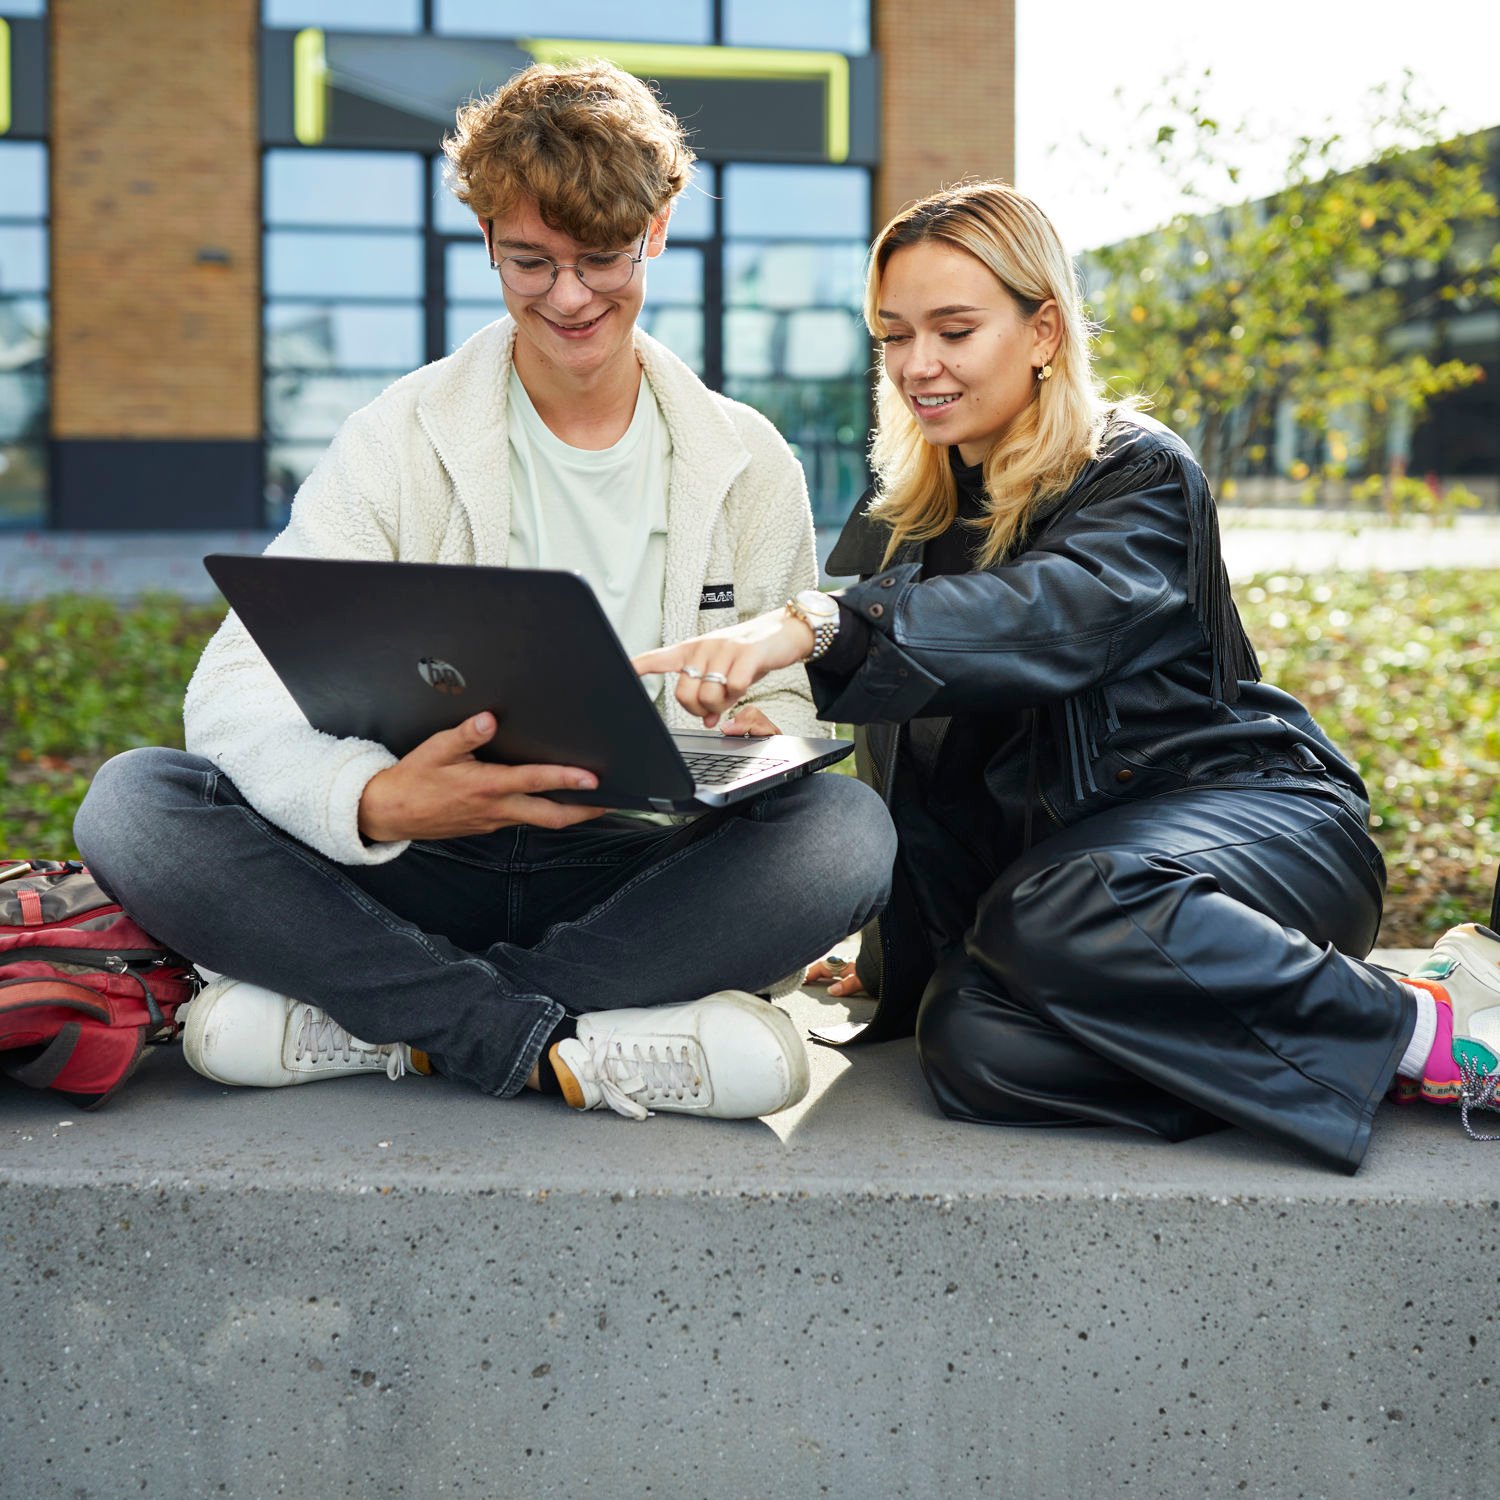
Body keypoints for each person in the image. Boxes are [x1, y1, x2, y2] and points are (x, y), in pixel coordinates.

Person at [72, 60, 894, 1123]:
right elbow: (233, 692)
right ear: (486, 236)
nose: (568, 297)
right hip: (417, 857)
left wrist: (740, 732)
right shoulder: (399, 438)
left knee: (845, 832)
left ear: (660, 223)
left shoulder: (747, 459)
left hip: (627, 867)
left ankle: (386, 1022)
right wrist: (376, 799)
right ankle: (555, 1036)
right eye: (530, 261)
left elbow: (786, 712)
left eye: (600, 258)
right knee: (136, 804)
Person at [634, 179, 1500, 1171]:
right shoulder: (906, 510)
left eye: (955, 330)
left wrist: (820, 624)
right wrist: (888, 961)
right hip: (1078, 913)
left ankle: (1431, 1029)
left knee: (1051, 906)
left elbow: (1046, 619)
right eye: (894, 335)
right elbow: (922, 781)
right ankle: (1360, 1057)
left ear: (1043, 329)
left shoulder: (1135, 472)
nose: (919, 365)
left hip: (1248, 836)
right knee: (970, 1043)